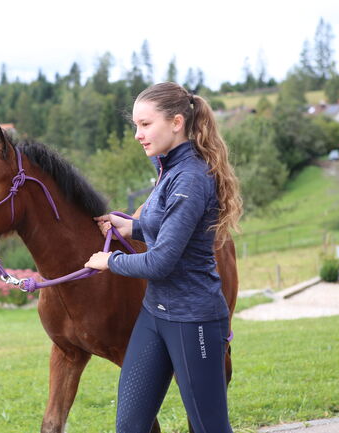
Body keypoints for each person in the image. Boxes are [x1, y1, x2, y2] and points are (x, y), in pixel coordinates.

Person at [84, 82, 242, 433]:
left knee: (209, 428)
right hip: (155, 315)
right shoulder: (168, 168)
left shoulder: (190, 177)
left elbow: (161, 262)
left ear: (175, 122)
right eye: (135, 126)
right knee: (130, 427)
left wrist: (108, 262)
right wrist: (131, 228)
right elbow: (171, 229)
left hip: (194, 320)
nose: (138, 134)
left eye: (145, 124)